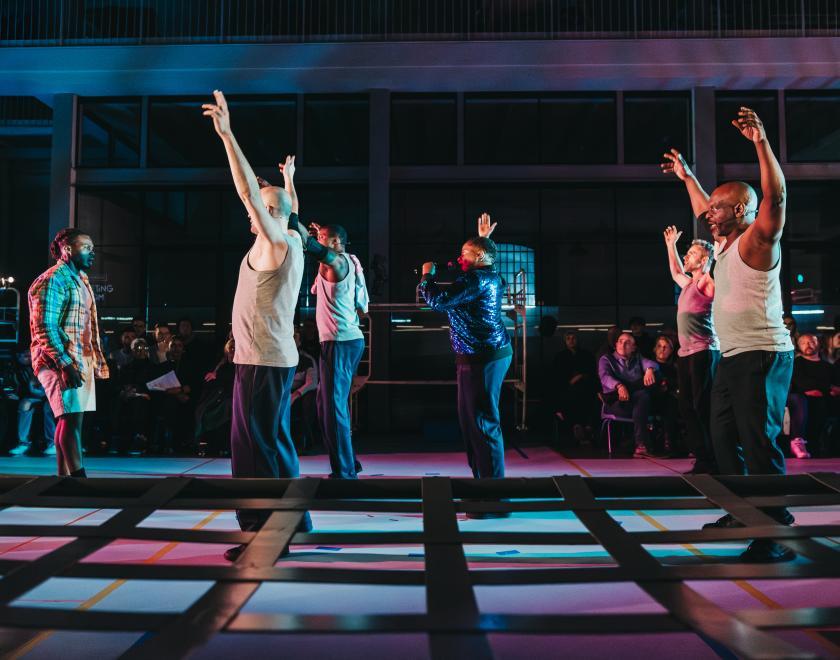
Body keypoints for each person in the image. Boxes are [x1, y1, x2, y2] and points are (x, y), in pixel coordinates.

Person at [670, 107, 795, 562]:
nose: (708, 214)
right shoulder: (722, 246)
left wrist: (761, 143)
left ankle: (775, 531)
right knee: (722, 437)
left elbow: (776, 197)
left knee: (757, 442)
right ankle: (742, 510)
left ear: (741, 210)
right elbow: (701, 203)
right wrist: (687, 177)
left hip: (763, 354)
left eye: (718, 208)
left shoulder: (759, 239)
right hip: (733, 355)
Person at [204, 89, 310, 562]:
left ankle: (264, 537)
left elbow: (249, 190)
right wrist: (288, 181)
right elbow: (287, 207)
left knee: (253, 449)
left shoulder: (275, 243)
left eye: (261, 207)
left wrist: (228, 135)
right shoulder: (295, 237)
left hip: (261, 359)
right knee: (274, 442)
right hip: (269, 357)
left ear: (269, 214)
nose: (251, 209)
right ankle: (295, 525)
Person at [279, 155, 369, 479]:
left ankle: (344, 472)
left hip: (341, 343)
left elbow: (298, 232)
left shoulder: (338, 263)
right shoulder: (338, 259)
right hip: (341, 342)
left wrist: (289, 186)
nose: (316, 241)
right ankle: (349, 462)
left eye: (322, 239)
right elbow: (313, 239)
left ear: (334, 243)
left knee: (332, 408)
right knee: (327, 406)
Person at [418, 213, 513, 510]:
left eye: (465, 253)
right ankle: (481, 485)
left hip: (483, 356)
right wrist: (484, 239)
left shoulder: (477, 278)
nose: (459, 257)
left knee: (483, 423)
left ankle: (494, 493)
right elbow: (483, 262)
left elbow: (439, 301)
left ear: (480, 256)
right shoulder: (486, 274)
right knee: (470, 422)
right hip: (475, 355)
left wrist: (427, 277)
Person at [28, 227, 109, 477]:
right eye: (86, 248)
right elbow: (44, 327)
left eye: (93, 248)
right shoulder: (52, 279)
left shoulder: (81, 280)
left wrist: (93, 360)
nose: (92, 253)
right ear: (67, 249)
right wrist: (65, 363)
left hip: (78, 357)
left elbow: (88, 327)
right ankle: (78, 479)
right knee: (70, 420)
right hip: (58, 359)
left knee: (72, 420)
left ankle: (64, 479)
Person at [657, 210, 720, 473]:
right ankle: (702, 456)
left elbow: (722, 286)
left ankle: (713, 459)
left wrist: (717, 255)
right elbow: (675, 272)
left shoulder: (706, 282)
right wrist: (670, 245)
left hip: (704, 351)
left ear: (704, 259)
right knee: (686, 406)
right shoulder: (687, 285)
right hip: (685, 354)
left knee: (701, 405)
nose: (687, 257)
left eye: (691, 254)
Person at [598, 332, 659, 457]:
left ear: (634, 347)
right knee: (644, 396)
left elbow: (652, 363)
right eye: (620, 341)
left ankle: (640, 445)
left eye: (628, 342)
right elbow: (605, 377)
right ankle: (642, 444)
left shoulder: (637, 358)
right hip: (617, 401)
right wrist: (619, 386)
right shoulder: (606, 359)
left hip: (636, 402)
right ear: (615, 344)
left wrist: (649, 370)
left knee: (645, 394)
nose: (623, 344)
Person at [788, 333, 840, 458]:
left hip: (826, 402)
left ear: (818, 344)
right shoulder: (796, 364)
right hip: (803, 402)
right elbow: (802, 383)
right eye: (803, 343)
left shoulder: (828, 366)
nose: (808, 345)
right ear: (799, 346)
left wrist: (827, 390)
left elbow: (837, 387)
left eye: (811, 342)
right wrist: (828, 387)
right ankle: (800, 444)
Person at [553, 330, 598, 441]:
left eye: (573, 338)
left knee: (588, 395)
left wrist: (580, 377)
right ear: (565, 341)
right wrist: (570, 381)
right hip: (567, 387)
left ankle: (586, 425)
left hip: (585, 386)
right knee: (570, 396)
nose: (571, 341)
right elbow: (557, 376)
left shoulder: (587, 355)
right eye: (568, 338)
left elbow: (591, 372)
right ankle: (578, 425)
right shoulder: (560, 357)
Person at [10, 350, 56, 457]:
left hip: (49, 395)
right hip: (32, 396)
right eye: (23, 355)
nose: (27, 358)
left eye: (29, 355)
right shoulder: (17, 371)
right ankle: (24, 443)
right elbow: (19, 388)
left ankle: (53, 443)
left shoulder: (43, 365)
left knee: (48, 407)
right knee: (24, 404)